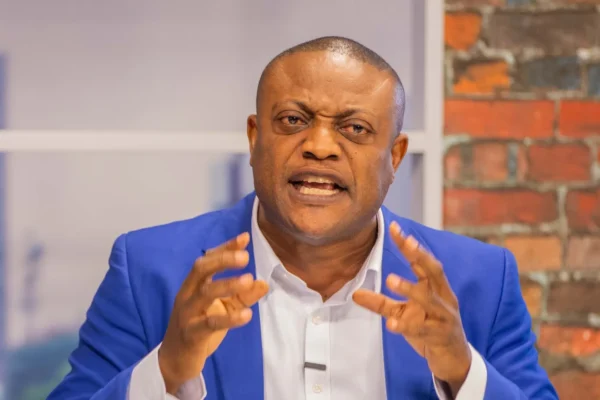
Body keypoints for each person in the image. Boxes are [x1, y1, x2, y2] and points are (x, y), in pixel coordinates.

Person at [48, 36, 558, 400]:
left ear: (395, 157)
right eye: (293, 120)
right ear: (254, 139)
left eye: (354, 128)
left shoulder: (479, 281)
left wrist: (463, 373)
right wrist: (165, 372)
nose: (319, 146)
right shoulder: (149, 269)